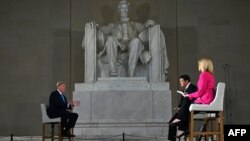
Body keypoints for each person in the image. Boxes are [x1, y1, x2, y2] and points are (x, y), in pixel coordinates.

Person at [84, 0, 169, 78]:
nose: (124, 10)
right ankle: (113, 70)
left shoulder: (135, 25)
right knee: (110, 39)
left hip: (132, 50)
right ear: (119, 10)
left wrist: (151, 23)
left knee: (136, 41)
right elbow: (101, 30)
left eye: (126, 8)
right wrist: (94, 25)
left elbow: (146, 30)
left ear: (128, 10)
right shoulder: (113, 26)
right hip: (117, 50)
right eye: (122, 8)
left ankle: (131, 72)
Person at [168, 74, 198, 141]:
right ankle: (174, 138)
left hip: (187, 111)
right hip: (182, 111)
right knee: (171, 124)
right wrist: (179, 108)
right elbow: (183, 102)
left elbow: (190, 100)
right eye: (180, 81)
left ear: (186, 81)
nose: (180, 83)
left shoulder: (192, 87)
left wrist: (185, 96)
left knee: (176, 125)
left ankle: (184, 129)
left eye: (181, 81)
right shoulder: (185, 89)